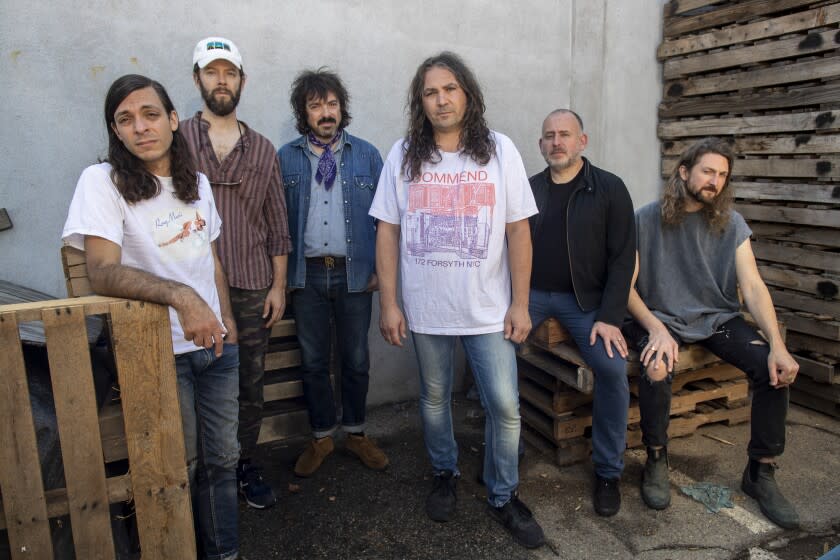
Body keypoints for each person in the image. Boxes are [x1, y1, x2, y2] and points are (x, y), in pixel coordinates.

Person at [62, 74, 241, 559]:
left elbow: (212, 258)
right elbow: (100, 271)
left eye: (150, 114)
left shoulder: (197, 182)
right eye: (126, 119)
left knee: (224, 461)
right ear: (115, 131)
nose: (140, 127)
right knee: (173, 468)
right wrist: (182, 298)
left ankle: (224, 552)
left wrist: (227, 321)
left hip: (217, 348)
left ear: (173, 120)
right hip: (158, 353)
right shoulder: (102, 182)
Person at [371, 51, 545, 549]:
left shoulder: (499, 151)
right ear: (420, 102)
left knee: (505, 407)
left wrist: (520, 303)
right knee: (433, 399)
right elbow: (387, 231)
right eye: (430, 92)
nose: (441, 99)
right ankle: (444, 473)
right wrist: (390, 302)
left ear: (467, 93)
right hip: (427, 308)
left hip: (489, 309)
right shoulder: (404, 154)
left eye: (449, 88)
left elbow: (517, 230)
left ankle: (502, 494)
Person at [624, 137, 800, 529]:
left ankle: (761, 472)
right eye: (707, 171)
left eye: (722, 175)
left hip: (716, 318)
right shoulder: (645, 218)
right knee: (655, 367)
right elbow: (625, 287)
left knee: (774, 372)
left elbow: (752, 287)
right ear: (684, 172)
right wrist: (655, 328)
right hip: (661, 315)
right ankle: (656, 459)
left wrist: (778, 345)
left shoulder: (731, 223)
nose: (715, 181)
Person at [181, 36, 292, 510]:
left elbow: (276, 222)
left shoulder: (263, 148)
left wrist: (279, 285)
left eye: (229, 73)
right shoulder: (175, 139)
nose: (221, 81)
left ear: (242, 81)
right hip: (189, 285)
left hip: (250, 283)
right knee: (190, 386)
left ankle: (243, 463)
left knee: (249, 383)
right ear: (197, 79)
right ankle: (197, 476)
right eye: (212, 72)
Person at [277, 68, 388, 477]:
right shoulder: (286, 157)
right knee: (312, 361)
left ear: (342, 109)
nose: (325, 112)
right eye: (315, 105)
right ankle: (322, 436)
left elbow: (387, 220)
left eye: (332, 104)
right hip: (306, 277)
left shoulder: (367, 155)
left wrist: (381, 271)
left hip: (355, 275)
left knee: (356, 359)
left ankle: (356, 434)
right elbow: (275, 221)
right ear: (303, 113)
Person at [528, 109, 636, 517]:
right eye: (549, 135)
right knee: (494, 351)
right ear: (541, 144)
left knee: (611, 369)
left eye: (565, 135)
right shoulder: (530, 189)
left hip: (584, 302)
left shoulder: (609, 188)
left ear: (582, 142)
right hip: (533, 296)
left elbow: (623, 259)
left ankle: (608, 471)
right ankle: (508, 446)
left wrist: (610, 315)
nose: (557, 142)